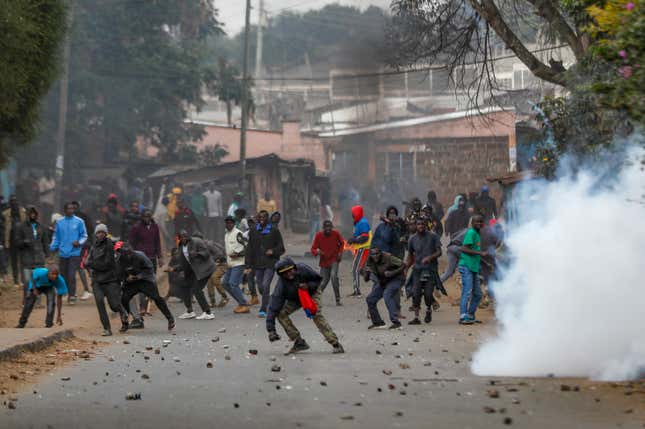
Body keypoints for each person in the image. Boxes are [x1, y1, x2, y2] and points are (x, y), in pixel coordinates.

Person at [266, 258, 344, 354]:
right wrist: (271, 330)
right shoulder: (281, 286)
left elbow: (318, 280)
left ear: (294, 268)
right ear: (281, 275)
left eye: (290, 270)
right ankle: (298, 342)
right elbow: (273, 306)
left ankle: (335, 343)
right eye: (285, 273)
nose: (289, 274)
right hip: (295, 298)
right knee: (281, 313)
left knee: (315, 314)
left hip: (312, 293)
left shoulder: (303, 269)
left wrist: (308, 286)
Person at [115, 242, 175, 330]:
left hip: (145, 281)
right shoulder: (120, 260)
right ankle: (125, 323)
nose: (127, 255)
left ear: (131, 250)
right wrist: (126, 278)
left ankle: (170, 318)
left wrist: (140, 276)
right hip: (131, 283)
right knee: (124, 299)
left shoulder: (140, 256)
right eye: (123, 253)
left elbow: (150, 268)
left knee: (157, 298)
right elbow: (119, 274)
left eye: (129, 252)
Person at [84, 224, 129, 336]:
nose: (100, 234)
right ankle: (107, 329)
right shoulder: (93, 246)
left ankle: (122, 312)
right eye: (98, 232)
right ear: (96, 234)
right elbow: (86, 262)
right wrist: (91, 265)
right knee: (99, 302)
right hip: (97, 281)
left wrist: (93, 264)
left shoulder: (109, 245)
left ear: (105, 233)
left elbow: (107, 264)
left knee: (114, 305)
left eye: (102, 232)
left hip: (110, 279)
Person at [167, 230, 215, 320]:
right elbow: (184, 263)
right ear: (179, 238)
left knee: (196, 289)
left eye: (185, 236)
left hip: (205, 269)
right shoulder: (181, 247)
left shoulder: (197, 241)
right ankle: (190, 311)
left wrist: (197, 254)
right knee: (184, 286)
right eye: (182, 237)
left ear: (188, 236)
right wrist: (174, 268)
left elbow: (207, 253)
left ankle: (208, 312)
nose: (184, 238)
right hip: (192, 269)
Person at [245, 210, 285, 317]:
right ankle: (270, 299)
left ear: (268, 219)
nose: (261, 219)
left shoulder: (274, 230)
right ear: (257, 219)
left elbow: (281, 248)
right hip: (257, 264)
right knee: (260, 287)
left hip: (270, 263)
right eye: (260, 217)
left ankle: (263, 309)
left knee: (266, 285)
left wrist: (273, 251)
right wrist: (248, 265)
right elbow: (249, 248)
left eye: (264, 217)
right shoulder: (253, 231)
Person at [50, 202, 88, 304]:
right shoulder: (59, 222)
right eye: (69, 209)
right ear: (65, 210)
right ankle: (65, 293)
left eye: (72, 209)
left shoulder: (79, 221)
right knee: (63, 275)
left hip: (74, 253)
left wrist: (79, 242)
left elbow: (84, 235)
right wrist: (52, 246)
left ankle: (72, 296)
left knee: (71, 275)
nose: (71, 210)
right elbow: (56, 236)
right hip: (62, 253)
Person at [407, 218, 442, 325]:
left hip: (430, 270)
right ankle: (416, 317)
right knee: (416, 293)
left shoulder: (433, 236)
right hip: (417, 269)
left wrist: (430, 258)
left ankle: (428, 310)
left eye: (423, 224)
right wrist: (405, 268)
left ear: (426, 225)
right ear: (416, 226)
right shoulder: (412, 239)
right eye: (418, 224)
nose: (420, 226)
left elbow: (439, 252)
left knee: (427, 294)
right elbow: (410, 256)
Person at [128, 209, 162, 315]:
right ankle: (142, 308)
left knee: (151, 281)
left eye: (149, 216)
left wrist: (160, 256)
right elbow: (131, 242)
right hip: (140, 258)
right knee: (142, 281)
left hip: (152, 257)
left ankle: (146, 305)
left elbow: (157, 242)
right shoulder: (136, 227)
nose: (147, 218)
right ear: (142, 217)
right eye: (145, 216)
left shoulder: (155, 227)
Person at [362, 247, 406, 330]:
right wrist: (367, 272)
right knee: (370, 299)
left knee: (387, 295)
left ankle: (396, 323)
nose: (375, 256)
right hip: (383, 281)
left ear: (380, 253)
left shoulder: (388, 257)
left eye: (377, 254)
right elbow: (366, 280)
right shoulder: (369, 261)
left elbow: (404, 265)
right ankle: (378, 323)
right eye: (373, 254)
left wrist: (392, 273)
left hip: (396, 279)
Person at [458, 215, 487, 325]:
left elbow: (475, 250)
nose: (479, 224)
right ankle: (463, 316)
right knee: (467, 291)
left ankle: (470, 315)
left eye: (481, 222)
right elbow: (463, 248)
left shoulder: (477, 234)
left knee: (478, 294)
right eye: (477, 222)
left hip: (473, 267)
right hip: (466, 266)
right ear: (472, 223)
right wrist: (480, 253)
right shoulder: (471, 233)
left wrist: (485, 263)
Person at [16, 206, 49, 301]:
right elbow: (17, 242)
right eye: (31, 213)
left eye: (34, 214)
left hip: (39, 258)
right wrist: (24, 242)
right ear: (27, 215)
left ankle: (38, 300)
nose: (33, 215)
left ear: (37, 215)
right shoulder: (21, 227)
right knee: (27, 281)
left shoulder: (42, 227)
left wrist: (47, 255)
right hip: (26, 258)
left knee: (38, 280)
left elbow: (45, 242)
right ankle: (27, 299)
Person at [311, 220, 344, 305]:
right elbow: (313, 249)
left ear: (332, 227)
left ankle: (337, 299)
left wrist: (340, 253)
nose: (328, 229)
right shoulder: (319, 235)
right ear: (323, 228)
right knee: (323, 282)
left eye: (330, 227)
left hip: (334, 259)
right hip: (324, 262)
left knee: (333, 276)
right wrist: (317, 252)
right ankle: (315, 299)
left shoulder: (336, 234)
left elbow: (342, 243)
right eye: (326, 227)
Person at [222, 216, 250, 313]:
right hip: (230, 263)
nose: (228, 224)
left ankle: (244, 304)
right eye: (227, 222)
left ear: (234, 223)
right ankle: (241, 302)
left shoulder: (238, 233)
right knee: (225, 283)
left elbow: (247, 247)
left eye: (230, 222)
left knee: (233, 284)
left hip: (239, 263)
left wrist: (237, 254)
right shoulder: (226, 234)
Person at [346, 205, 371, 298]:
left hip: (363, 248)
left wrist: (354, 240)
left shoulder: (363, 222)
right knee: (359, 269)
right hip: (360, 248)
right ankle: (357, 288)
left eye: (353, 213)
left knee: (355, 269)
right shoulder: (358, 221)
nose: (352, 215)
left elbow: (365, 237)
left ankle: (357, 291)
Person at [3, 195, 26, 285]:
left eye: (15, 201)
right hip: (11, 240)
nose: (14, 203)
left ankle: (23, 279)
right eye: (12, 201)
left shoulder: (23, 212)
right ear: (10, 203)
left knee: (23, 261)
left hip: (22, 240)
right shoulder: (6, 214)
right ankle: (16, 279)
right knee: (13, 261)